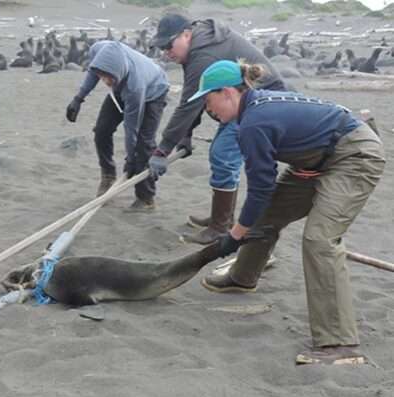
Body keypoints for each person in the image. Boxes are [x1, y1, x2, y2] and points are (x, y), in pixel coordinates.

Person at [192, 60, 385, 364]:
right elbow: (264, 194)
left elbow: (259, 189)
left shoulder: (253, 123)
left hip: (355, 156)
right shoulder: (255, 109)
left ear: (228, 92)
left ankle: (339, 344)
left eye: (208, 100)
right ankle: (242, 277)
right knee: (267, 216)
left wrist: (234, 236)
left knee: (320, 240)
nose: (208, 109)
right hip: (316, 159)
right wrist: (242, 230)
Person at [148, 14, 288, 244]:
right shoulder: (199, 44)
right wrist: (186, 135)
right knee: (222, 153)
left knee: (223, 155)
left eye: (168, 45)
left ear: (186, 34)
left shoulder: (203, 53)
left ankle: (220, 227)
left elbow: (188, 106)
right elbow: (197, 94)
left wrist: (162, 150)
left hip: (263, 101)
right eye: (162, 48)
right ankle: (221, 218)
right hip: (244, 100)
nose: (166, 52)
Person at [66, 40, 169, 210]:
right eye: (103, 76)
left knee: (144, 144)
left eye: (108, 77)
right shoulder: (98, 50)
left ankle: (146, 198)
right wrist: (79, 98)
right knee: (101, 130)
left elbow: (131, 128)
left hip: (153, 92)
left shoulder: (135, 87)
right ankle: (108, 175)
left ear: (118, 72)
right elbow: (94, 72)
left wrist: (130, 158)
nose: (105, 81)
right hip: (120, 88)